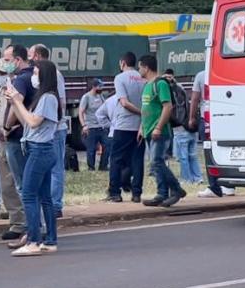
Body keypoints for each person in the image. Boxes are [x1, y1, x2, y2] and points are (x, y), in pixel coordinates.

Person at [6, 59, 60, 257]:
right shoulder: (43, 97)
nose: (33, 76)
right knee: (44, 197)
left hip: (40, 150)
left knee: (29, 195)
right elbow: (26, 122)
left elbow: (34, 122)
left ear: (44, 75)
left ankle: (34, 240)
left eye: (36, 72)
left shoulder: (48, 97)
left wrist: (18, 101)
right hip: (38, 148)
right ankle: (50, 240)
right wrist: (14, 102)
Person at [137, 55, 186, 208]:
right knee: (155, 163)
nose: (139, 70)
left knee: (156, 162)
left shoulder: (160, 84)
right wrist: (142, 128)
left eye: (140, 67)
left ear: (146, 67)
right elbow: (146, 109)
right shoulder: (146, 85)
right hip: (149, 131)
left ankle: (177, 190)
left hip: (160, 131)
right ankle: (162, 193)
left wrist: (158, 127)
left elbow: (168, 106)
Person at [28, 44, 68, 218]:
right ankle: (50, 207)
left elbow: (61, 102)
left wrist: (56, 122)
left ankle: (55, 204)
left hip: (55, 129)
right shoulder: (45, 84)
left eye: (30, 55)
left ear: (36, 56)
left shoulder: (52, 78)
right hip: (50, 129)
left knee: (56, 168)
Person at [0, 58, 26, 241]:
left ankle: (31, 222)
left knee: (21, 183)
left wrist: (9, 128)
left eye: (3, 73)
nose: (0, 77)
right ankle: (17, 222)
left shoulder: (17, 92)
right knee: (6, 185)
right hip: (0, 141)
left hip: (16, 139)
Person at [106, 52, 146, 203]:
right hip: (141, 126)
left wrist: (138, 111)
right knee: (137, 160)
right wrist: (143, 114)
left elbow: (124, 103)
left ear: (122, 63)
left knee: (116, 159)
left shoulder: (120, 78)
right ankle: (136, 193)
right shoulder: (143, 78)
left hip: (124, 125)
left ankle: (115, 192)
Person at [192, 69, 236, 198]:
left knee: (209, 151)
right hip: (227, 116)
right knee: (227, 150)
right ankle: (229, 185)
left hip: (208, 118)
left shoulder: (201, 75)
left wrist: (191, 117)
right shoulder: (225, 73)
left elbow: (195, 99)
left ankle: (214, 186)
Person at [2, 44, 34, 214]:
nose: (5, 64)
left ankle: (32, 229)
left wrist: (6, 127)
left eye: (8, 60)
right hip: (34, 136)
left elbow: (16, 103)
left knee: (22, 186)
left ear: (18, 60)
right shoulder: (36, 77)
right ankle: (41, 227)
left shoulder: (20, 80)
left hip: (18, 136)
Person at [80, 78, 109, 171]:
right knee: (91, 149)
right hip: (91, 127)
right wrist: (84, 125)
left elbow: (105, 108)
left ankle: (103, 166)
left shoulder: (100, 97)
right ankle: (91, 167)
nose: (101, 88)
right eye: (99, 86)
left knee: (107, 145)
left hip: (101, 126)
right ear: (93, 87)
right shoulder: (86, 97)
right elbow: (81, 112)